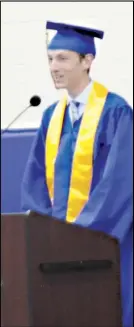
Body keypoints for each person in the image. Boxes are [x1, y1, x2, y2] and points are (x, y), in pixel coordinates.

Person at [21, 21, 133, 327]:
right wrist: (47, 231)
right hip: (56, 253)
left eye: (63, 58)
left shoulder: (116, 112)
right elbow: (35, 180)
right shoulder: (50, 117)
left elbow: (119, 185)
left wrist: (78, 234)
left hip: (103, 243)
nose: (54, 67)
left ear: (87, 61)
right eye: (50, 58)